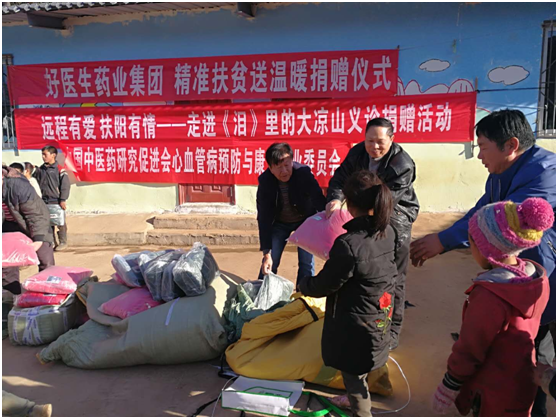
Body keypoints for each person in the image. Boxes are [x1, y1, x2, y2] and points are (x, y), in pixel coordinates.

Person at [411, 109, 556, 415]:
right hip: (521, 276)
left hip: (544, 276)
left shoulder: (546, 173)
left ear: (511, 145)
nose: (479, 156)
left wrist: (444, 240)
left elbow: (499, 219)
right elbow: (481, 214)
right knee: (521, 353)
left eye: (483, 147)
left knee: (538, 354)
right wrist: (444, 238)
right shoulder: (500, 173)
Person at [431, 197, 553, 417]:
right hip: (523, 384)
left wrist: (449, 385)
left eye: (471, 242)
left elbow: (470, 347)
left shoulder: (490, 295)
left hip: (491, 391)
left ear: (485, 250)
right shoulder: (537, 280)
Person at [298, 170, 398, 417]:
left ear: (349, 205)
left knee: (353, 376)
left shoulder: (348, 245)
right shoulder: (388, 233)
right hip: (379, 318)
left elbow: (325, 285)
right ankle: (354, 400)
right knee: (361, 370)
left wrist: (304, 284)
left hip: (356, 327)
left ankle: (361, 412)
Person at [326, 117, 419, 350]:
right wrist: (336, 199)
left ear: (392, 139)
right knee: (364, 271)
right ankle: (365, 321)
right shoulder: (358, 153)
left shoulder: (402, 164)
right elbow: (340, 178)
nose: (374, 147)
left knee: (393, 277)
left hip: (396, 214)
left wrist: (360, 223)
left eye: (380, 142)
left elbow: (386, 202)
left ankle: (392, 330)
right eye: (369, 141)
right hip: (365, 212)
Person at [257, 143, 326, 281]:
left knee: (306, 262)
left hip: (305, 221)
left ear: (292, 161)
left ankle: (303, 291)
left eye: (287, 165)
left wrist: (327, 220)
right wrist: (266, 253)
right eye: (278, 167)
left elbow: (318, 198)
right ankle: (261, 288)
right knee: (272, 259)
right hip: (279, 223)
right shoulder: (265, 182)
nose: (284, 171)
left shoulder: (303, 173)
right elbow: (264, 217)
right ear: (270, 168)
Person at [2, 164, 55, 290]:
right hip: (9, 225)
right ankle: (11, 294)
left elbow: (36, 214)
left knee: (45, 261)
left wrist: (38, 239)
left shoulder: (18, 186)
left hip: (35, 222)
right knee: (7, 263)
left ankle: (48, 293)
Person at [34, 146, 70, 251]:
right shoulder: (40, 170)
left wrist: (62, 199)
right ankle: (52, 242)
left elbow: (65, 186)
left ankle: (63, 242)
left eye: (45, 154)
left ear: (53, 155)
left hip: (56, 201)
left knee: (60, 221)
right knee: (47, 223)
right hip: (43, 201)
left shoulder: (60, 170)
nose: (43, 157)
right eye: (42, 154)